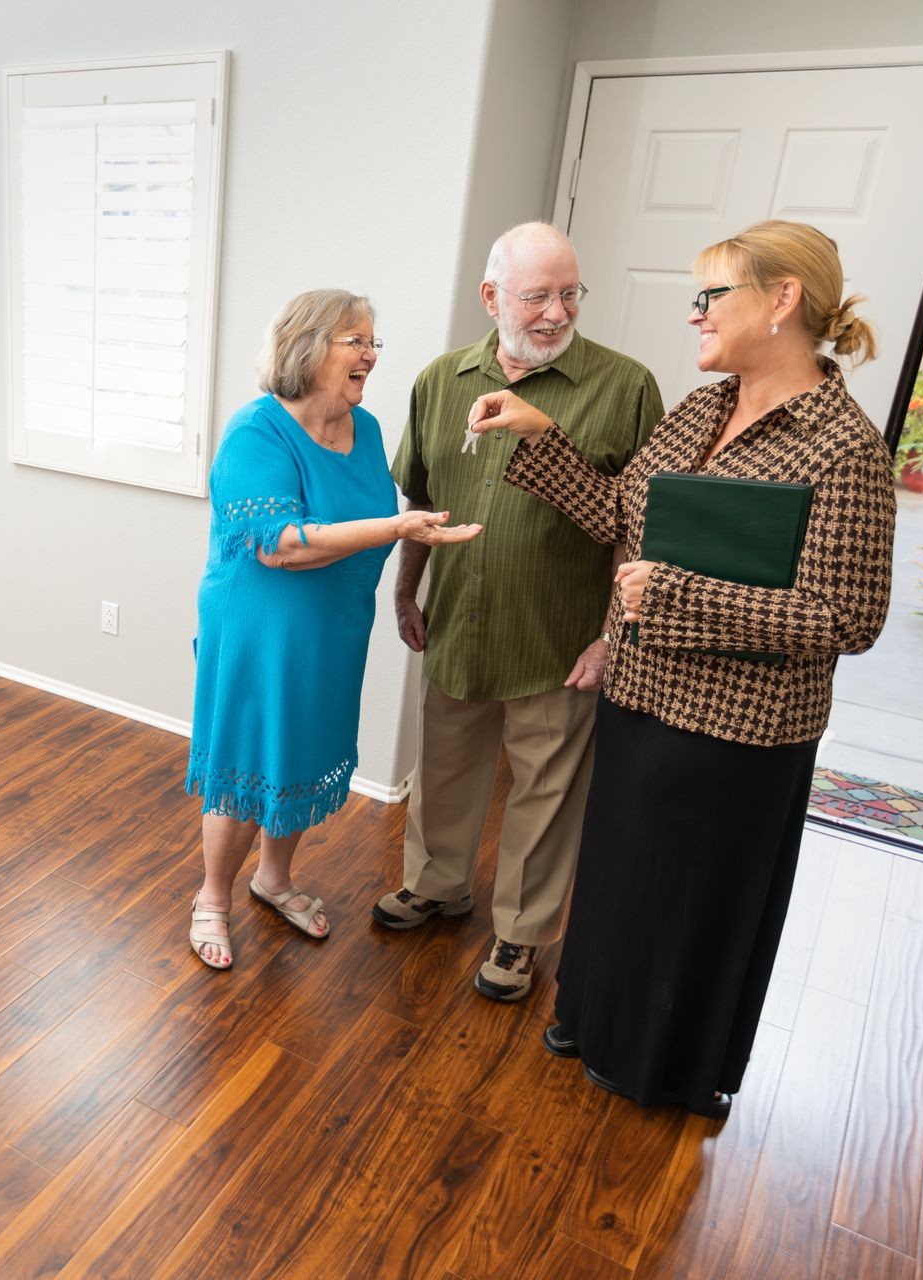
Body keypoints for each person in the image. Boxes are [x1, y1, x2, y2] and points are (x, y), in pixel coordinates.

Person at [468, 219, 895, 1117]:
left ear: (781, 302)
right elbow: (622, 521)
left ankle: (660, 1065)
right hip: (642, 702)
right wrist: (540, 435)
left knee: (691, 908)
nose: (694, 314)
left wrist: (679, 597)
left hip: (738, 736)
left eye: (712, 297)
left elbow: (847, 618)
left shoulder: (842, 446)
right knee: (620, 880)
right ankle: (591, 1023)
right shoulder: (700, 410)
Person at [372, 224, 663, 1003]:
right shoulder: (441, 380)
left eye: (570, 294)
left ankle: (521, 933)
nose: (556, 313)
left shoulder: (626, 387)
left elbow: (639, 528)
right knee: (445, 767)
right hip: (459, 622)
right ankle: (437, 886)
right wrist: (406, 589)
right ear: (491, 297)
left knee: (546, 788)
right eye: (537, 296)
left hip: (558, 635)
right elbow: (421, 500)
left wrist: (610, 636)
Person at [186, 289, 481, 970]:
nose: (371, 355)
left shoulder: (367, 429)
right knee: (251, 758)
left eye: (374, 341)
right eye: (357, 340)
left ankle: (274, 879)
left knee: (302, 751)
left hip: (334, 628)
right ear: (308, 346)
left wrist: (400, 547)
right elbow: (280, 546)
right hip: (261, 633)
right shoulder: (255, 432)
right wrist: (399, 528)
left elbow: (362, 518)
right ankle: (212, 898)